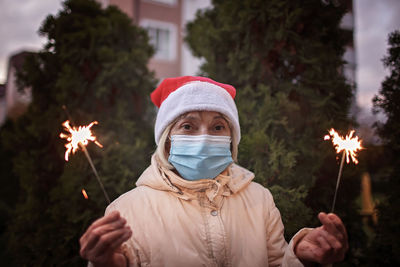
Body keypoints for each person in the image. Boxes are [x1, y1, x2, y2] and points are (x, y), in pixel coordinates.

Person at [79, 76, 348, 267]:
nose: (205, 136)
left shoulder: (260, 199)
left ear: (232, 138)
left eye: (218, 127)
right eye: (188, 126)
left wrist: (300, 256)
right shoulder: (126, 210)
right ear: (167, 139)